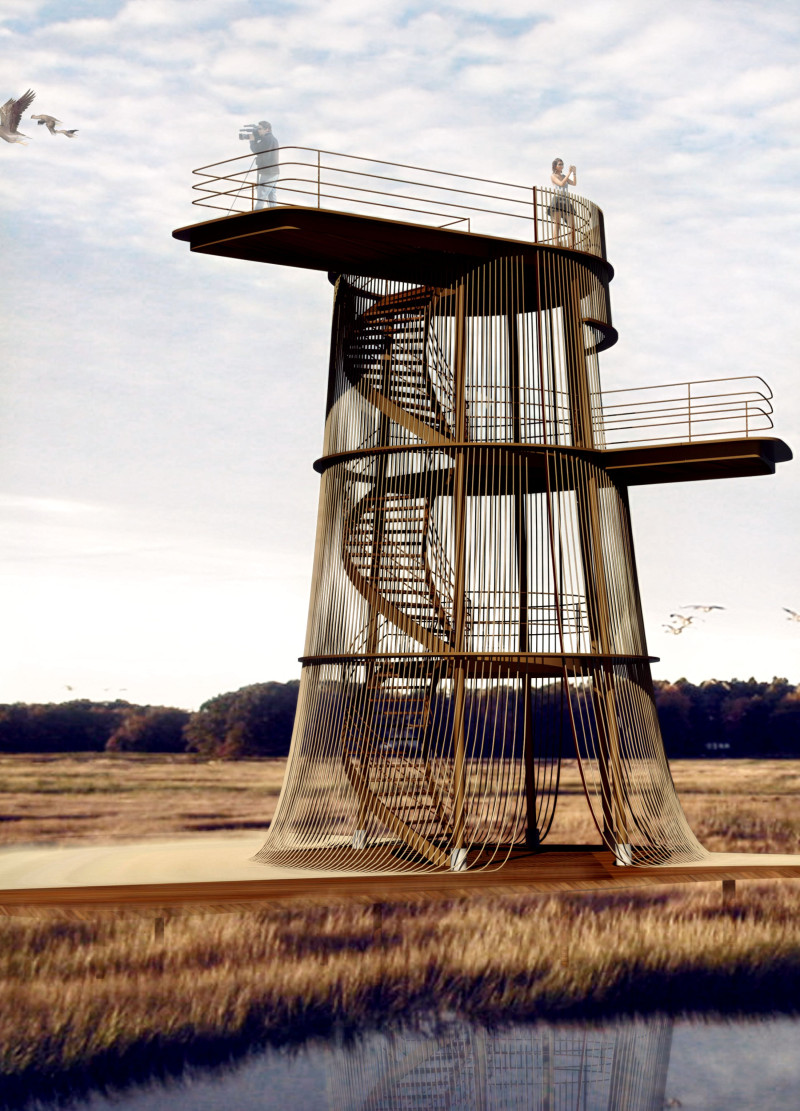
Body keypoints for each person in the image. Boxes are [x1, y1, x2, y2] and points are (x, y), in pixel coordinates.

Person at [250, 121, 279, 210]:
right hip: (274, 171)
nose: (258, 131)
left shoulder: (267, 139)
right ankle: (275, 218)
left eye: (260, 129)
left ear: (267, 129)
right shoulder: (272, 139)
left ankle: (256, 219)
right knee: (271, 198)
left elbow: (257, 150)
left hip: (267, 172)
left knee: (261, 198)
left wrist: (252, 141)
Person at [548, 158, 576, 245]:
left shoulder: (564, 176)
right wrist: (569, 173)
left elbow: (574, 183)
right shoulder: (553, 176)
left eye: (562, 164)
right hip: (557, 200)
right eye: (560, 164)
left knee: (572, 225)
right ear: (555, 166)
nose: (561, 166)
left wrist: (574, 173)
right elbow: (561, 184)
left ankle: (572, 244)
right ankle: (556, 244)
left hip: (566, 200)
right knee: (557, 224)